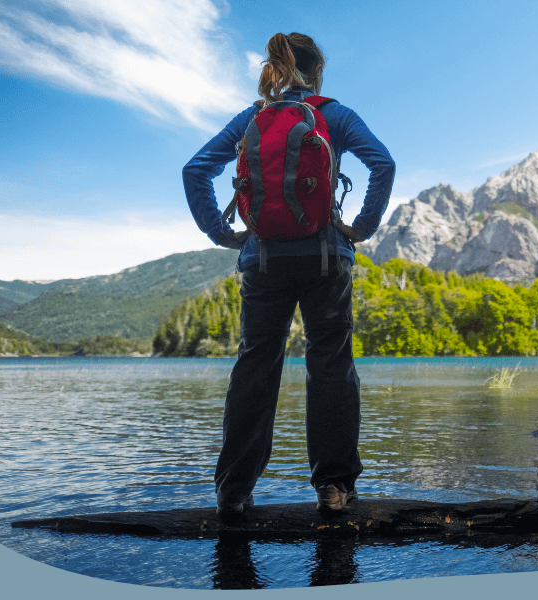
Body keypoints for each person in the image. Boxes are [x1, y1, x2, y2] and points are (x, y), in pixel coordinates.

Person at [182, 32, 395, 523]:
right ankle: (334, 488)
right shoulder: (334, 114)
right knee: (330, 365)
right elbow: (382, 163)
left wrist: (222, 232)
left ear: (275, 70)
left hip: (262, 260)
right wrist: (361, 227)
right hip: (325, 258)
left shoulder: (251, 118)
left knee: (255, 365)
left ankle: (233, 490)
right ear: (316, 72)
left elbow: (196, 170)